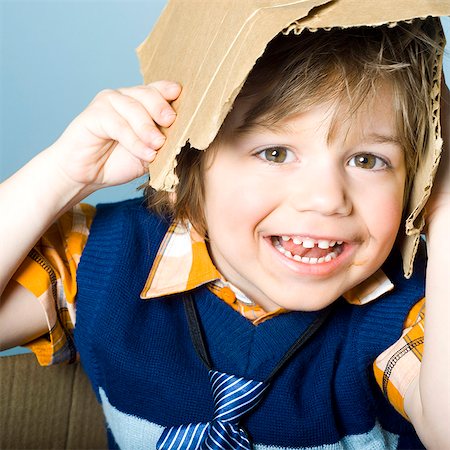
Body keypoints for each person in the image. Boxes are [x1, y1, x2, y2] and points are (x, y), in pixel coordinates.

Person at [0, 18, 449, 450]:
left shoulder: (409, 312)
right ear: (188, 161)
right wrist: (61, 175)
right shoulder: (103, 261)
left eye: (368, 160)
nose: (327, 198)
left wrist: (446, 202)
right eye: (275, 152)